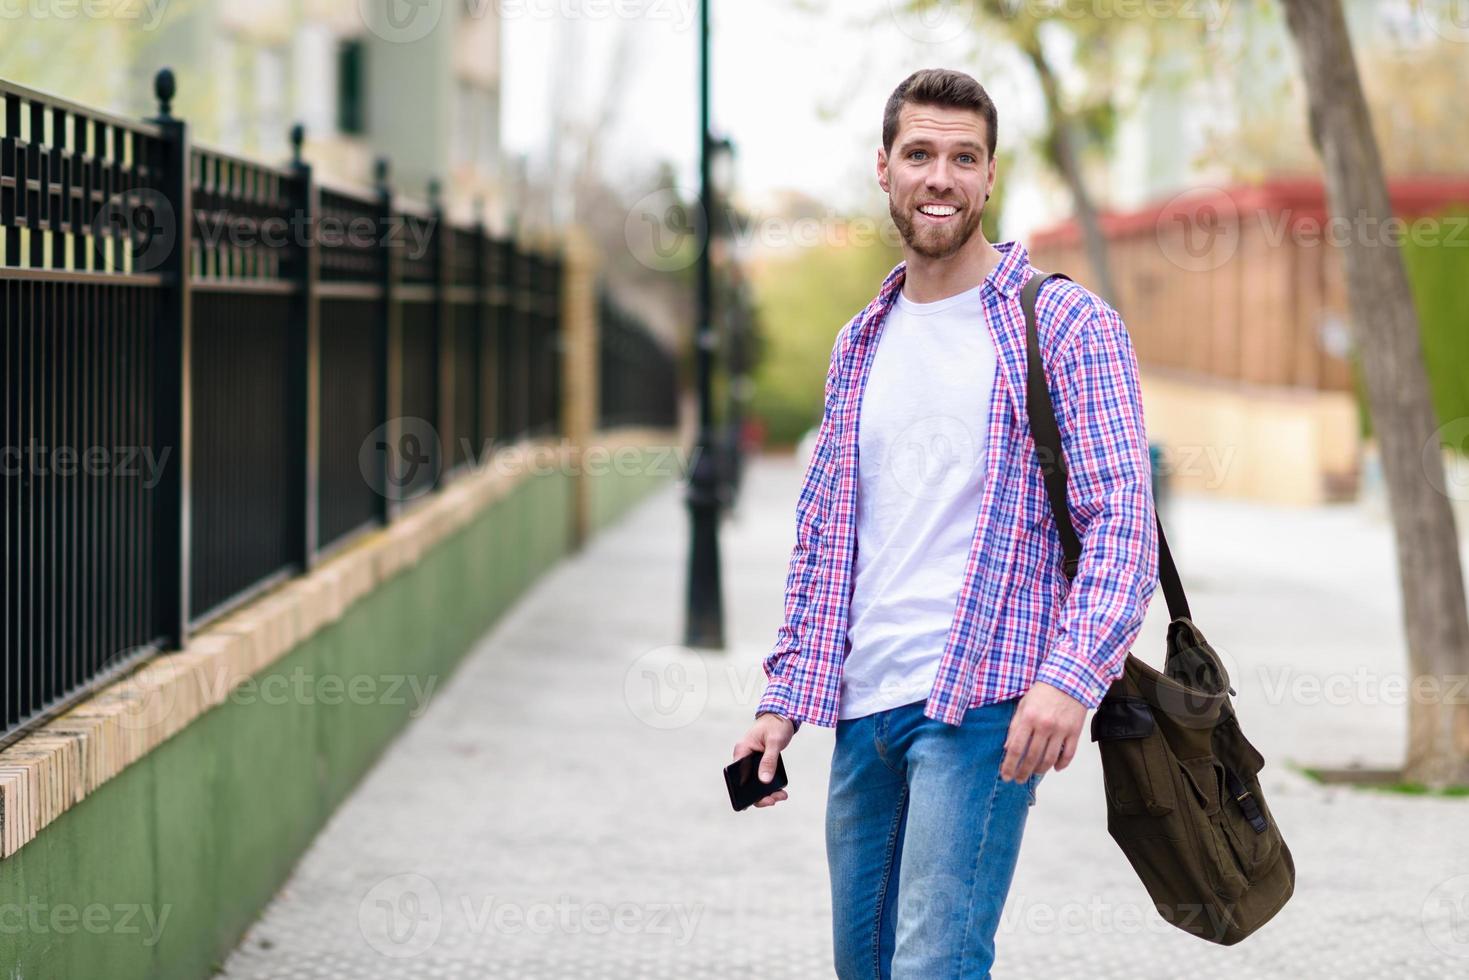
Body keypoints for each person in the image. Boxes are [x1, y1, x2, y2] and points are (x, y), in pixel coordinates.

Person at [730, 68, 1159, 978]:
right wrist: (783, 698)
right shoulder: (861, 339)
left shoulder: (1067, 326)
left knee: (936, 966)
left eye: (963, 158)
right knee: (866, 968)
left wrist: (1070, 678)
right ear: (882, 168)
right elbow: (826, 541)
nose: (940, 176)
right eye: (919, 153)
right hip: (863, 707)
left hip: (984, 704)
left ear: (990, 177)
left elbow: (1123, 522)